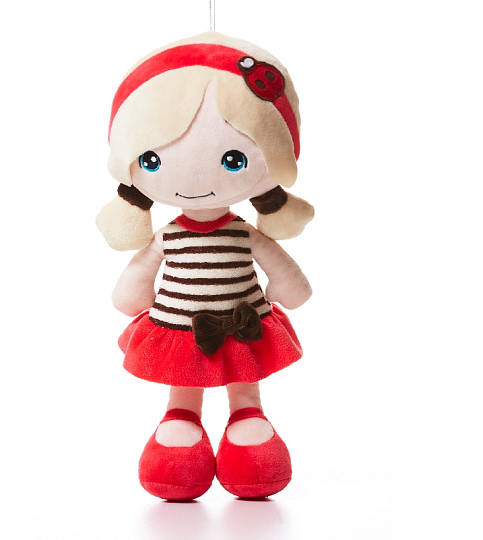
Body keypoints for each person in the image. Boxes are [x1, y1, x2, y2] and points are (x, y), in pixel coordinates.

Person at [96, 31, 314, 500]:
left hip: (244, 321)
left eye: (234, 160)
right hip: (181, 326)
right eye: (152, 160)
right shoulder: (168, 237)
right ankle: (182, 424)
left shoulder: (243, 232)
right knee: (184, 385)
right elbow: (137, 280)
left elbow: (281, 270)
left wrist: (286, 288)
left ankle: (247, 421)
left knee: (245, 387)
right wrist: (134, 298)